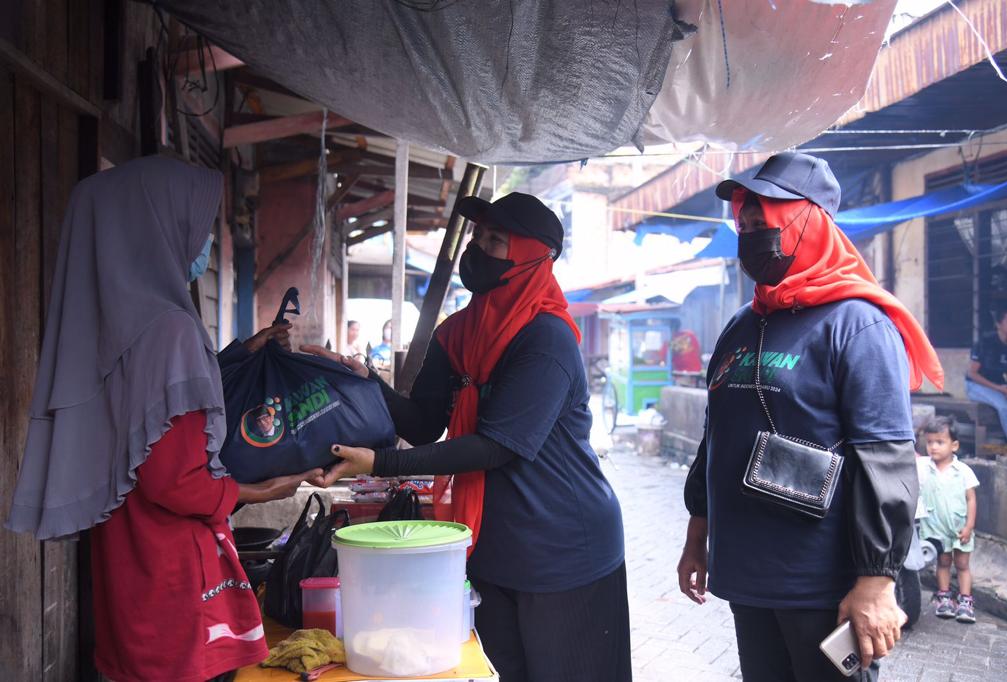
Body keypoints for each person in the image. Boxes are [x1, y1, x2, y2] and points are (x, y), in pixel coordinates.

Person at [5, 156, 323, 682]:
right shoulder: (171, 329)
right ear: (156, 229)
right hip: (170, 573)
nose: (205, 243)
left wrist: (237, 356)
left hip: (124, 558)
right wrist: (262, 490)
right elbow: (174, 481)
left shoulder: (109, 325)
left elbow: (149, 414)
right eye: (198, 228)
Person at [303, 192, 630, 682]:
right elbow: (421, 423)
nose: (478, 248)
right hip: (493, 546)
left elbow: (496, 446)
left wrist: (381, 463)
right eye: (478, 236)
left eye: (496, 239)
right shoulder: (457, 334)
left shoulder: (547, 339)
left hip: (564, 547)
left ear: (532, 255)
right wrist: (366, 382)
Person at [678, 152, 946, 682]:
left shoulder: (858, 325)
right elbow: (717, 438)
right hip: (748, 575)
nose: (751, 234)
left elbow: (886, 460)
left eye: (764, 221)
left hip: (821, 583)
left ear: (808, 222)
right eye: (745, 224)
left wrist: (876, 580)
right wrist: (696, 538)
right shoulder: (743, 324)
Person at [917, 416, 980, 624]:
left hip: (960, 527)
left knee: (962, 564)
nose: (933, 447)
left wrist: (969, 526)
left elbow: (971, 499)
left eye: (940, 442)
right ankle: (944, 597)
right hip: (936, 528)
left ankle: (965, 601)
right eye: (930, 442)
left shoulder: (963, 471)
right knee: (943, 562)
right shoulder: (924, 468)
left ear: (954, 446)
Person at [965, 307, 1007, 457]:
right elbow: (972, 374)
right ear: (998, 324)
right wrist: (999, 388)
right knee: (1004, 407)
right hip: (976, 386)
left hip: (1000, 387)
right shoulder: (985, 343)